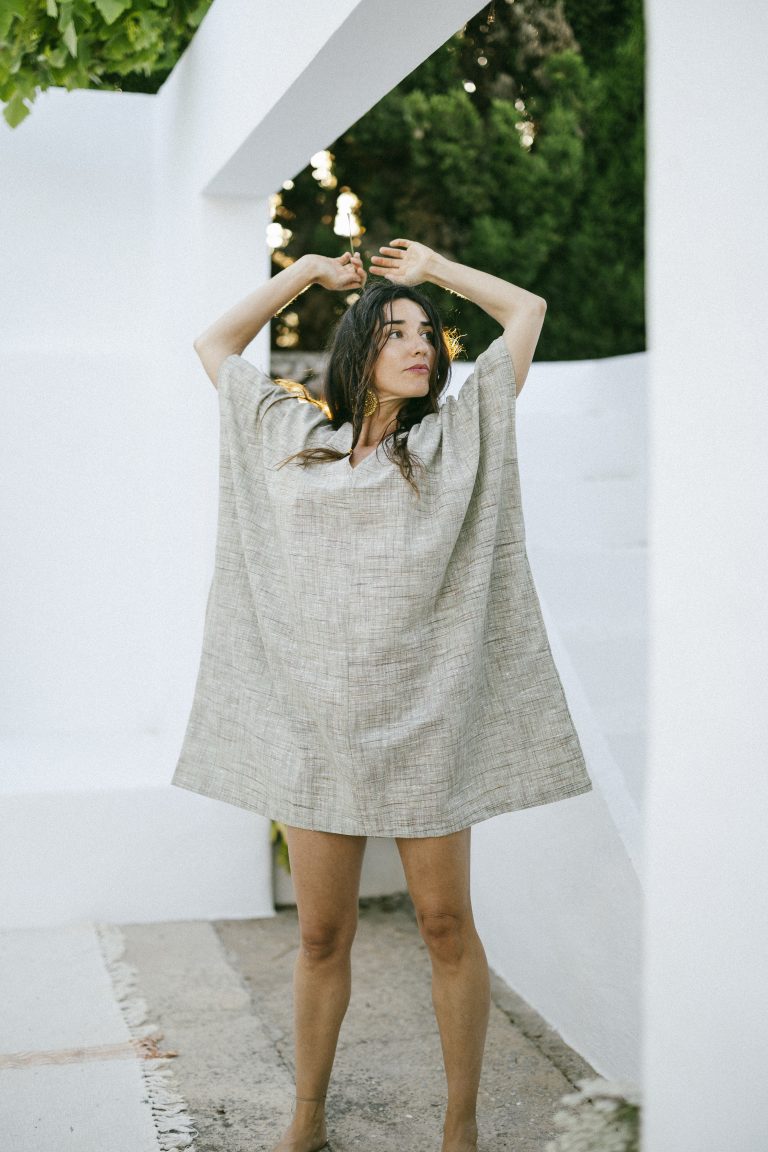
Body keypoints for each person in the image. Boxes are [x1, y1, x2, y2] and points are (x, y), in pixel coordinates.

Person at [172, 238, 592, 1152]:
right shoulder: (293, 440)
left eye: (428, 335)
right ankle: (307, 1118)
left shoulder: (453, 438)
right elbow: (214, 346)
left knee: (444, 925)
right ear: (358, 348)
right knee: (322, 936)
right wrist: (305, 275)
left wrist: (433, 272)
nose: (421, 346)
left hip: (427, 725)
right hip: (317, 732)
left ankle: (459, 1129)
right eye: (397, 332)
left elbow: (526, 312)